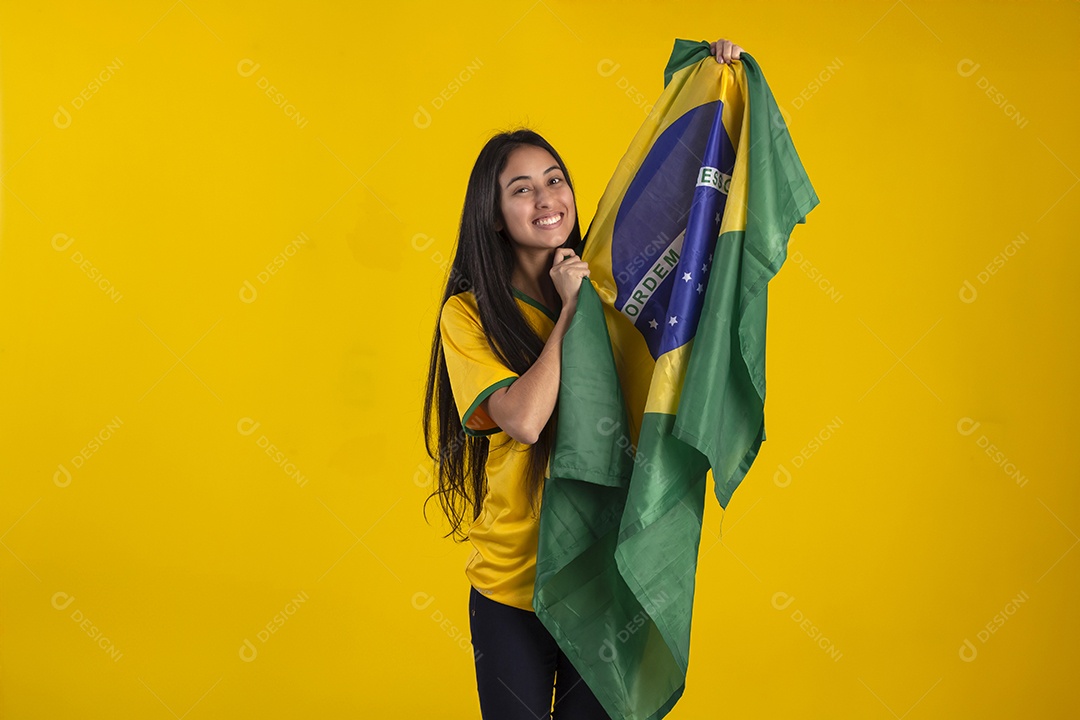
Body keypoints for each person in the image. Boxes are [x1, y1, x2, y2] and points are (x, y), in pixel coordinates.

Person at [422, 38, 745, 720]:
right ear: (494, 214)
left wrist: (712, 81)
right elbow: (524, 418)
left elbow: (681, 193)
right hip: (513, 588)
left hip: (604, 576)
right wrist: (572, 310)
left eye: (555, 179)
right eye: (522, 188)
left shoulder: (613, 273)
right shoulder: (471, 313)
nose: (547, 197)